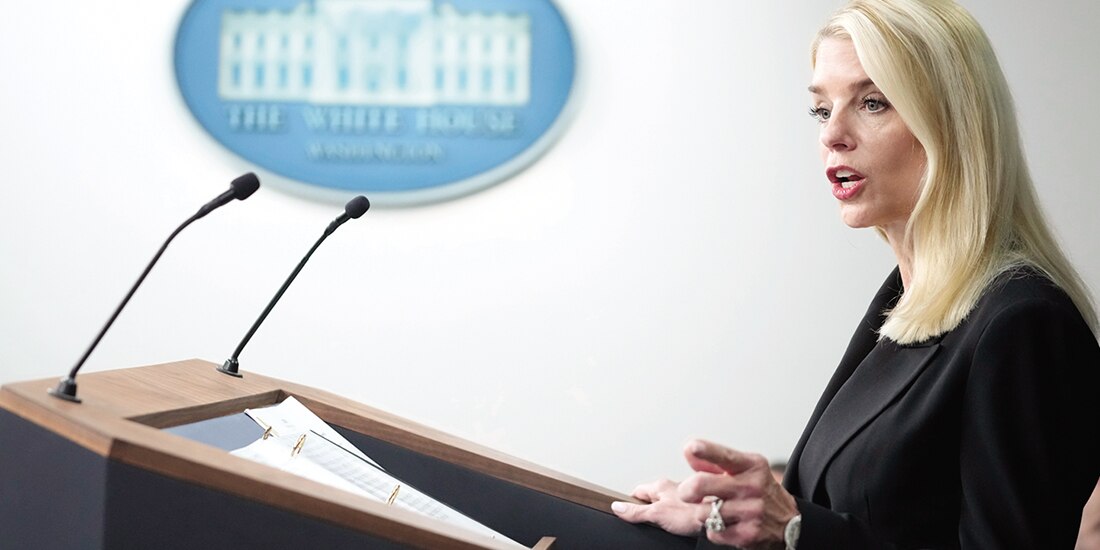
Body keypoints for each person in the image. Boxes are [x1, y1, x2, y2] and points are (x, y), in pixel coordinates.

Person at [611, 0, 1100, 548]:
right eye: (822, 110)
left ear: (954, 126)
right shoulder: (906, 299)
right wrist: (723, 521)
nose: (832, 134)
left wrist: (797, 530)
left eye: (871, 103)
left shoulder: (1024, 322)